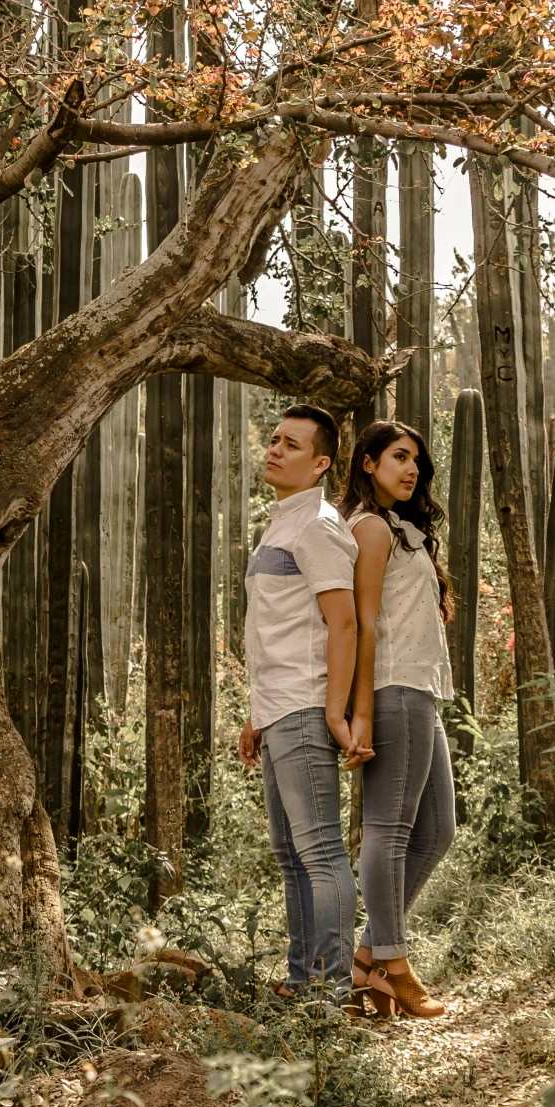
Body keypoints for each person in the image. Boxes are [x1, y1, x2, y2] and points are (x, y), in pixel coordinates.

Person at [336, 421, 458, 1019]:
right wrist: (361, 712)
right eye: (399, 457)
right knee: (390, 826)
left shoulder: (402, 528)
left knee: (437, 830)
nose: (411, 470)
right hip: (390, 687)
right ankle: (394, 962)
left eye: (417, 461)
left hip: (419, 688)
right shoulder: (371, 528)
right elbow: (361, 623)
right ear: (366, 463)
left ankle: (367, 958)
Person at [237, 404, 360, 1002]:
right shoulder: (281, 523)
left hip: (307, 707)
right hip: (277, 708)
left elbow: (343, 625)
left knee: (319, 849)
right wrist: (255, 714)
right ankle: (302, 980)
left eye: (291, 445)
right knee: (291, 855)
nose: (276, 449)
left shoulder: (318, 526)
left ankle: (333, 991)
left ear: (320, 464)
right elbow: (277, 629)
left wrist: (333, 713)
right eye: (275, 439)